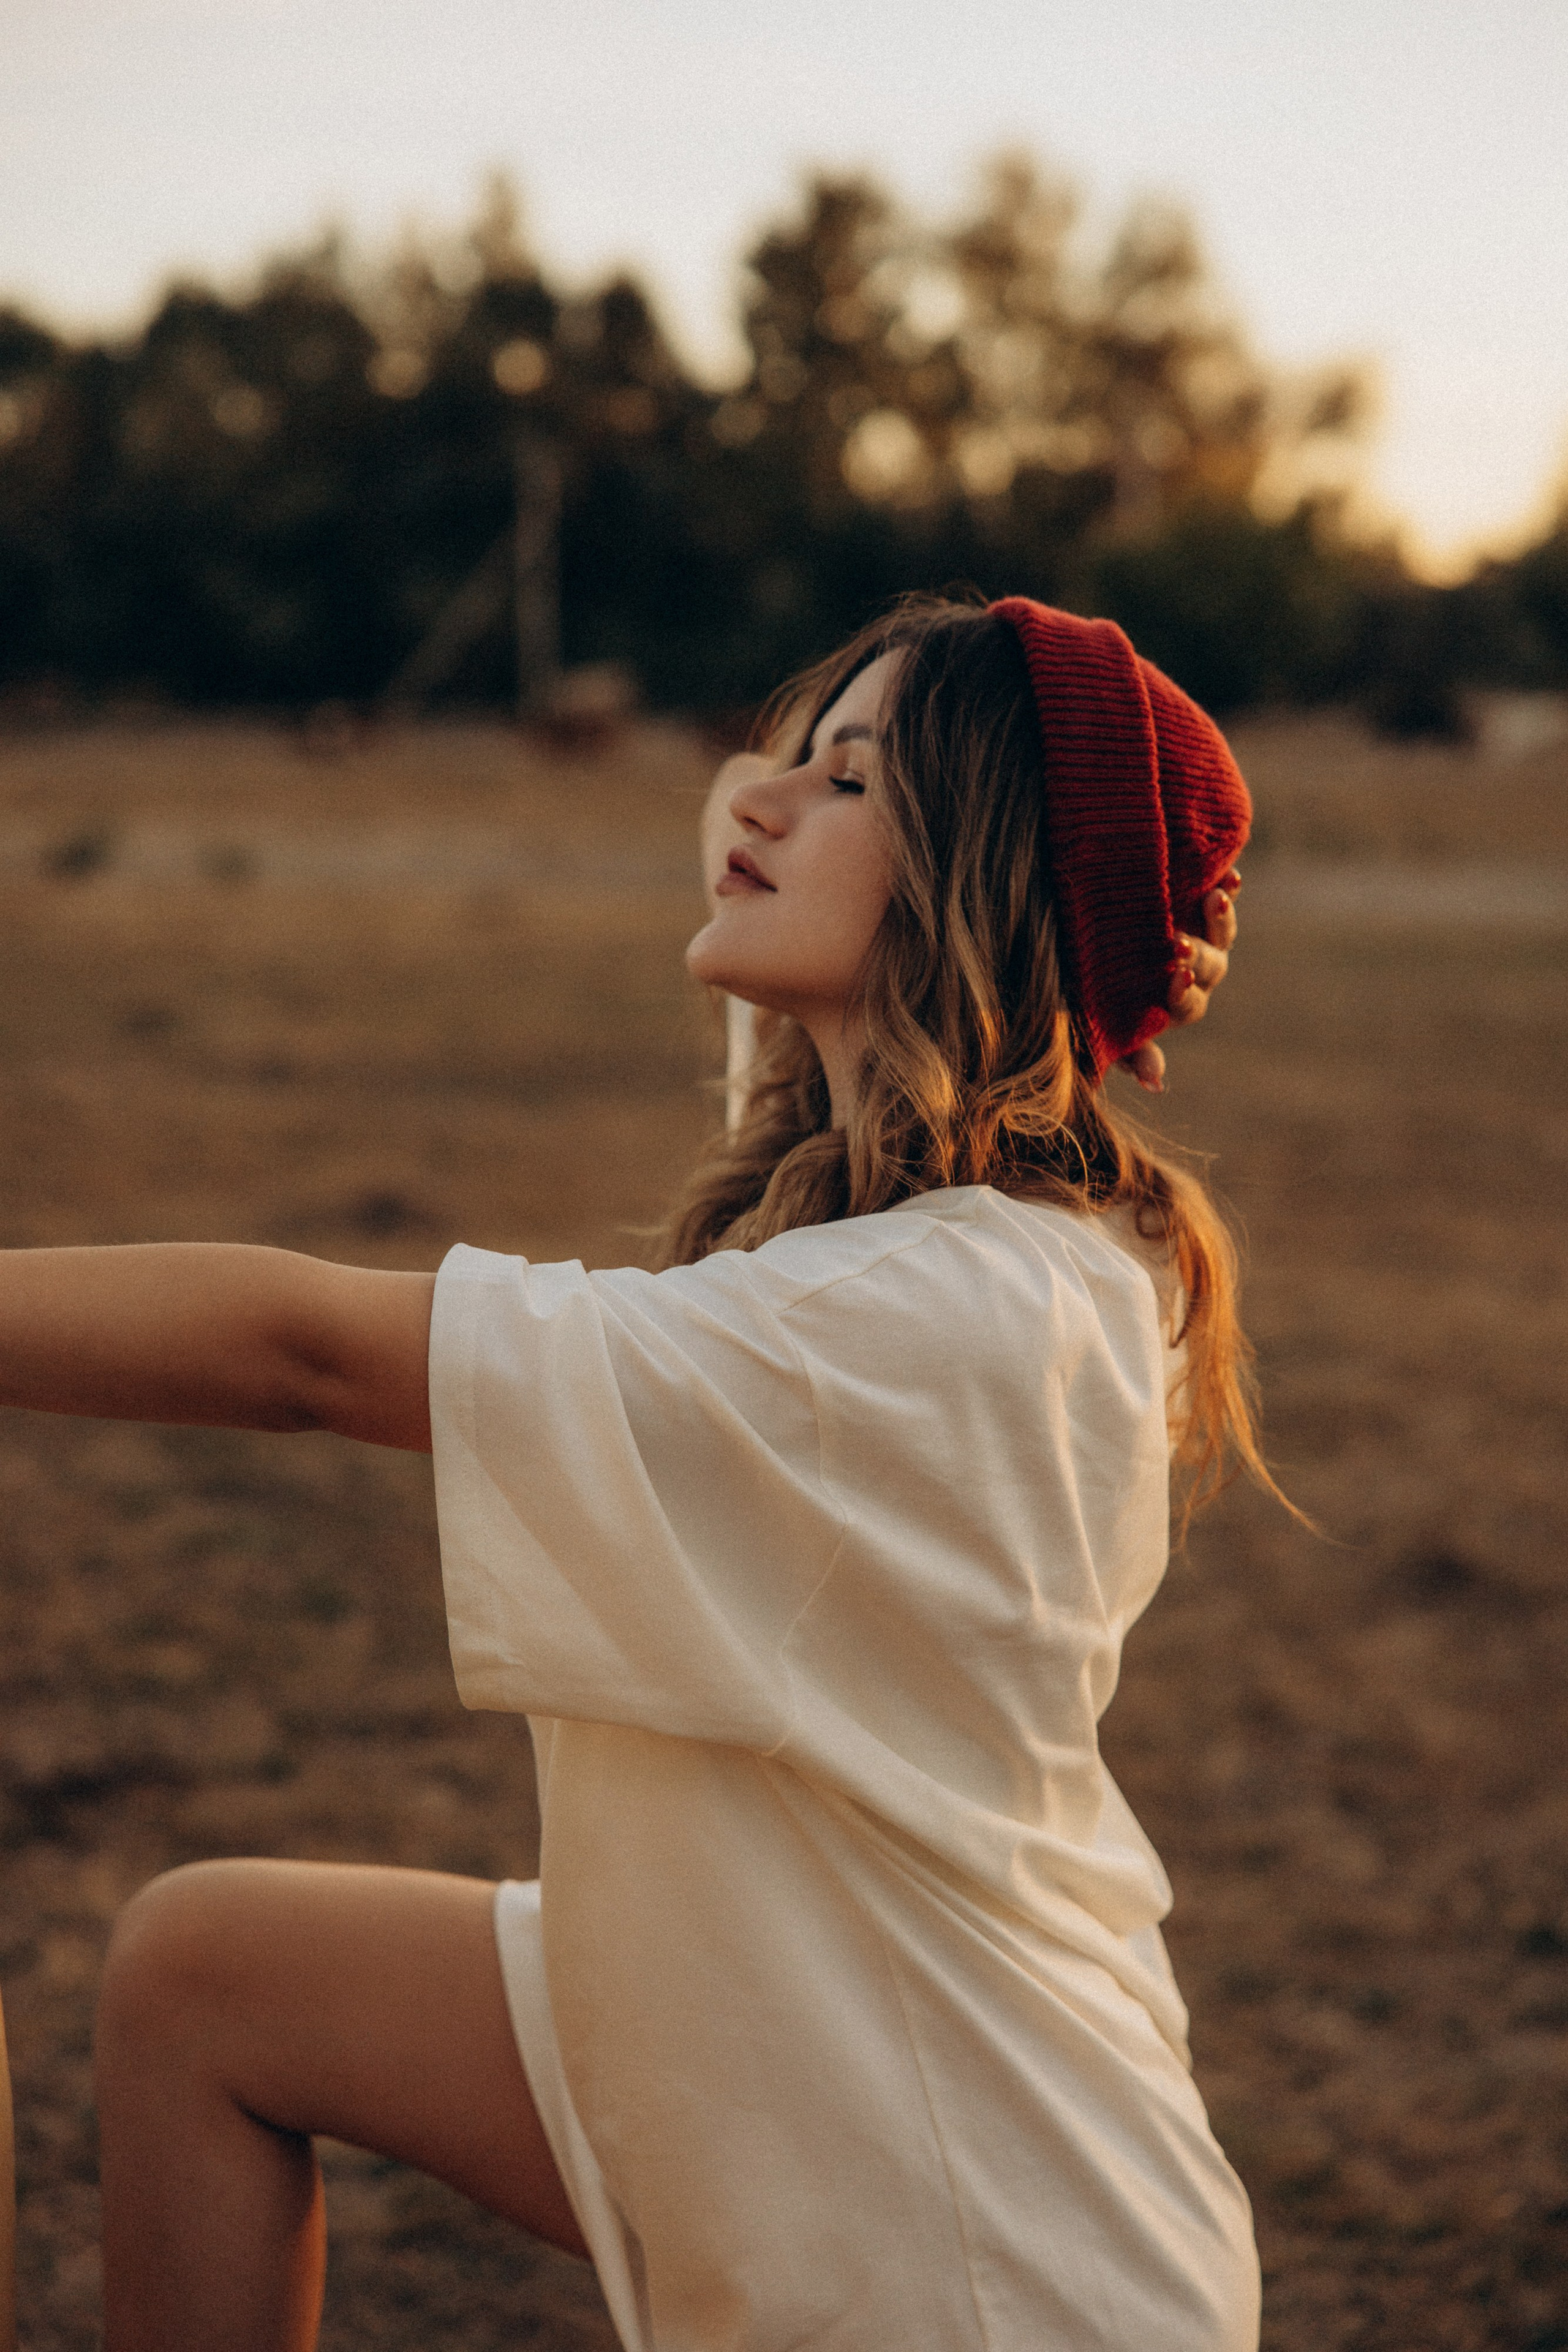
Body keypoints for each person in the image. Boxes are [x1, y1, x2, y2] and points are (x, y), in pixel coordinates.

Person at [0, 592, 1265, 2352]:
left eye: (844, 780)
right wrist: (1021, 866)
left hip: (982, 2264)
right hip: (798, 2019)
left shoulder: (934, 1310)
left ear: (990, 869)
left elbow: (302, 1358)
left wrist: (1111, 882)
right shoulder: (953, 1236)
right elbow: (794, 853)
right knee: (203, 1977)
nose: (752, 801)